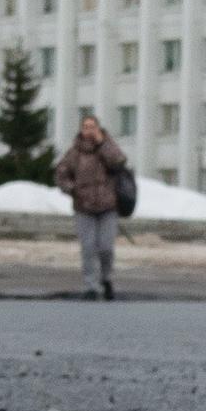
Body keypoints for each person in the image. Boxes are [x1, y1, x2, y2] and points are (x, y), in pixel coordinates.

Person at [54, 109, 133, 299]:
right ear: (81, 130)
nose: (89, 130)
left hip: (108, 206)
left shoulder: (108, 146)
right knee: (88, 247)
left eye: (92, 127)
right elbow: (61, 173)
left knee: (106, 247)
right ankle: (91, 286)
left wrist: (102, 143)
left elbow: (119, 162)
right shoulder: (75, 152)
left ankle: (106, 279)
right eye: (85, 127)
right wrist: (71, 188)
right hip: (84, 206)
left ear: (98, 128)